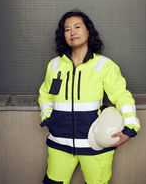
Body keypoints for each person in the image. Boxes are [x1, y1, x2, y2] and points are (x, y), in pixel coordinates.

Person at [38, 10, 140, 184]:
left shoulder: (104, 65)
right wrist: (48, 117)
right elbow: (45, 94)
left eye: (77, 27)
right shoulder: (54, 65)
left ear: (88, 31)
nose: (72, 32)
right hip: (59, 143)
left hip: (95, 145)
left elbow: (122, 95)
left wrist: (131, 126)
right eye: (67, 29)